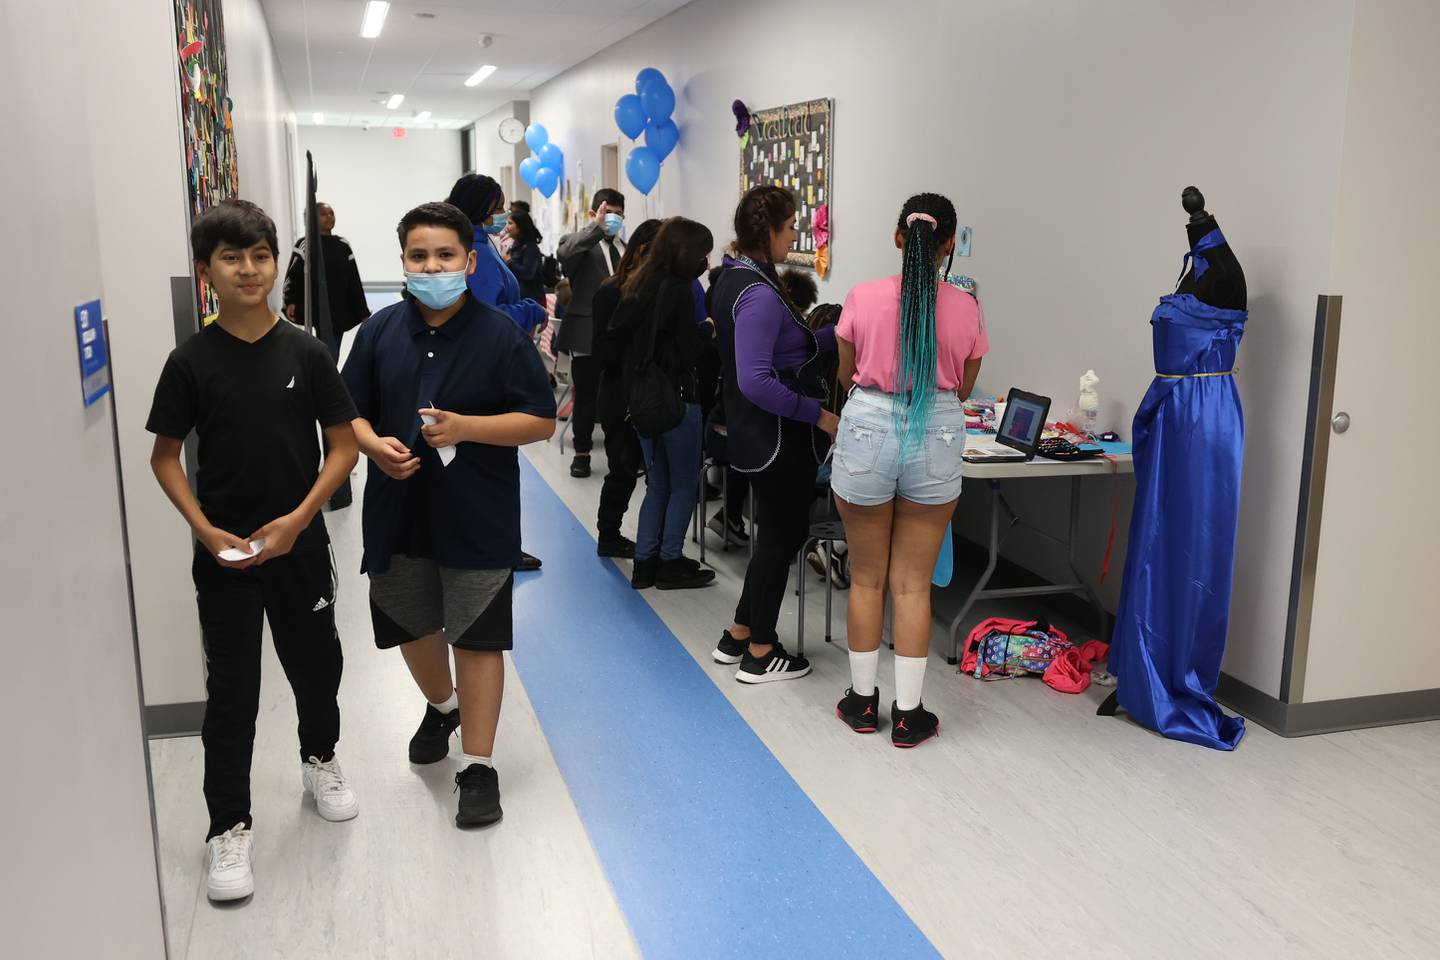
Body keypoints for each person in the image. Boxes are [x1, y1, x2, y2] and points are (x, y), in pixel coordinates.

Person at [146, 199, 361, 902]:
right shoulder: (190, 361)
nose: (249, 269)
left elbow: (344, 444)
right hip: (227, 555)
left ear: (277, 261)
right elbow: (167, 459)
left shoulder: (306, 350)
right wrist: (206, 531)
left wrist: (301, 518)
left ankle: (320, 758)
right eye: (232, 257)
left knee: (316, 667)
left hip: (298, 546)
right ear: (207, 270)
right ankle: (227, 828)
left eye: (260, 255)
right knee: (232, 694)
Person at [342, 202, 556, 828]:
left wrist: (468, 427)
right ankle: (442, 707)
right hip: (397, 508)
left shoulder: (499, 336)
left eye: (444, 255)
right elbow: (348, 411)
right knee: (411, 625)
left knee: (478, 633)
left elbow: (540, 420)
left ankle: (479, 765)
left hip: (477, 511)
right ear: (403, 262)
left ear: (468, 259)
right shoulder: (378, 332)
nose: (431, 266)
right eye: (418, 256)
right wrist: (370, 444)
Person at [831, 194, 987, 748]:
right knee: (912, 585)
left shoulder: (862, 297)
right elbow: (965, 387)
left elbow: (848, 373)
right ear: (949, 244)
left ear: (899, 238)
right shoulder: (966, 306)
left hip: (869, 426)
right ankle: (909, 714)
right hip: (938, 431)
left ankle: (861, 703)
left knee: (867, 578)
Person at [709, 185, 839, 683]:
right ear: (768, 231)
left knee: (774, 539)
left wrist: (836, 334)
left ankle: (740, 632)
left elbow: (787, 347)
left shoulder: (737, 277)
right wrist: (819, 415)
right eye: (789, 228)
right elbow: (757, 379)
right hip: (778, 438)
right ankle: (762, 652)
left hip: (756, 434)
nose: (794, 237)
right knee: (781, 540)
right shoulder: (760, 294)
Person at [445, 174, 547, 572]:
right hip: (486, 367)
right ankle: (496, 546)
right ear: (483, 206)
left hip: (486, 363)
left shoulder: (477, 240)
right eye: (498, 205)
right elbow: (487, 314)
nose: (503, 214)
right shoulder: (474, 248)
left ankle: (497, 542)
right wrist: (532, 310)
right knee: (489, 463)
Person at [610, 218, 718, 590]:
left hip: (642, 401)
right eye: (703, 252)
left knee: (657, 484)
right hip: (678, 400)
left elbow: (618, 339)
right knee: (685, 483)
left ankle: (644, 563)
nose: (706, 259)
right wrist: (706, 330)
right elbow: (689, 350)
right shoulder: (680, 290)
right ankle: (671, 561)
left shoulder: (637, 282)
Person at [590, 217, 663, 558]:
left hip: (651, 394)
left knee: (653, 473)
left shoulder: (661, 290)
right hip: (620, 394)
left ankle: (657, 541)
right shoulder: (610, 291)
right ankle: (609, 535)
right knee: (622, 468)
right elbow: (603, 352)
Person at [557, 188, 626, 478]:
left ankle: (619, 453)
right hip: (586, 329)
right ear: (594, 213)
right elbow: (565, 253)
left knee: (616, 395)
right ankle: (582, 452)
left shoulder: (624, 247)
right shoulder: (580, 243)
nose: (613, 219)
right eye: (608, 212)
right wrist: (595, 227)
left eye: (619, 215)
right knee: (586, 394)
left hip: (617, 331)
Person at [281, 201, 370, 360]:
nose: (329, 217)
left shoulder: (342, 245)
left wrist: (362, 311)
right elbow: (293, 275)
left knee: (332, 351)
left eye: (331, 213)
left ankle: (328, 377)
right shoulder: (304, 244)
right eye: (323, 214)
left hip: (338, 309)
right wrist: (290, 301)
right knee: (317, 350)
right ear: (312, 218)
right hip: (314, 308)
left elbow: (353, 279)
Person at [503, 209, 547, 304]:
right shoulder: (515, 246)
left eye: (510, 223)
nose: (507, 228)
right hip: (519, 299)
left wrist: (509, 261)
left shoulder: (531, 248)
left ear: (520, 227)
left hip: (532, 300)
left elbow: (528, 274)